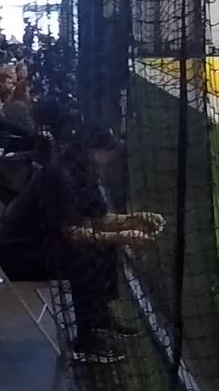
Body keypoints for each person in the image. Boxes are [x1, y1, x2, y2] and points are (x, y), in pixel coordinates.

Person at [0, 125, 164, 364]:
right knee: (85, 255)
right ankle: (85, 344)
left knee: (105, 246)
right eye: (108, 151)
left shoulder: (86, 172)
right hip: (19, 255)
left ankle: (99, 317)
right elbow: (73, 234)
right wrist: (124, 236)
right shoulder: (59, 176)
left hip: (47, 244)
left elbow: (98, 220)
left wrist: (135, 219)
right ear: (92, 150)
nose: (111, 157)